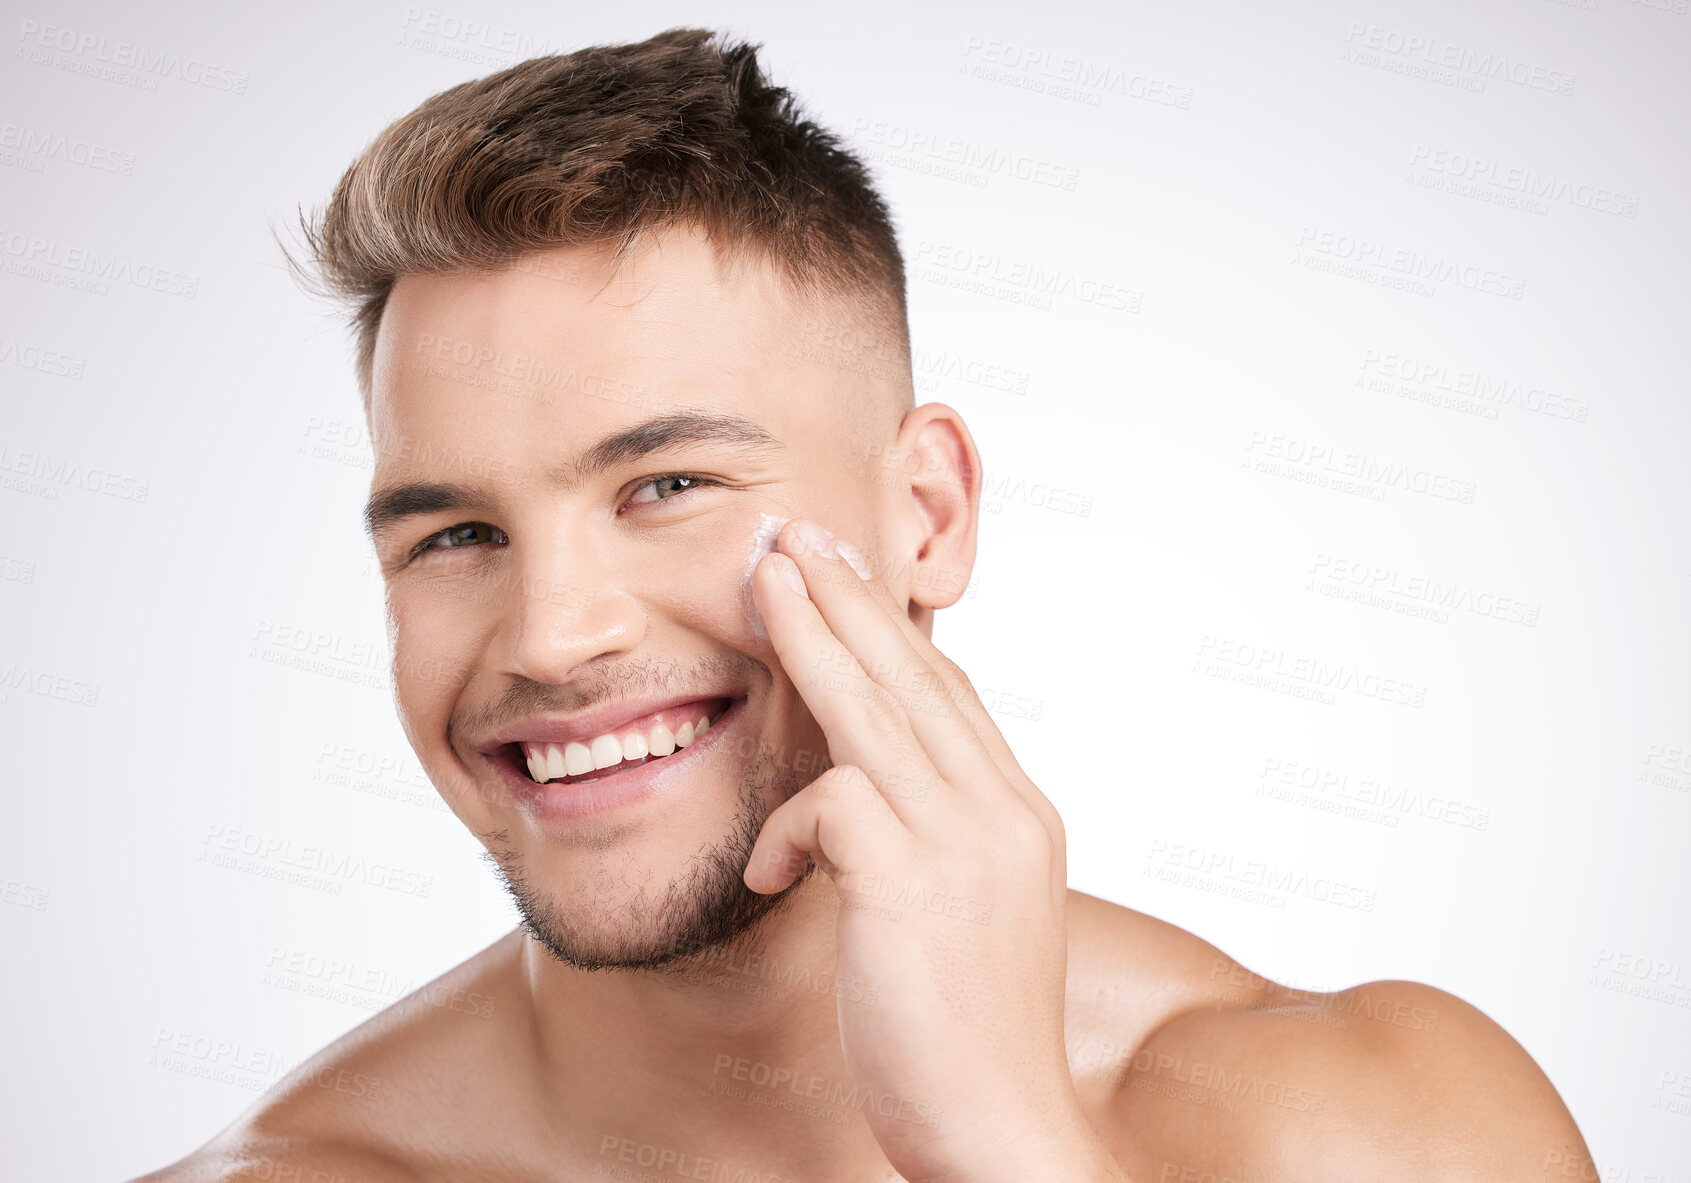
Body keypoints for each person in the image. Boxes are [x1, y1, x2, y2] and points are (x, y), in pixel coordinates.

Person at [135, 27, 1595, 1183]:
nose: (550, 634)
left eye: (667, 486)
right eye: (456, 532)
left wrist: (1009, 1155)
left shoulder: (1383, 1136)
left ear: (928, 517)